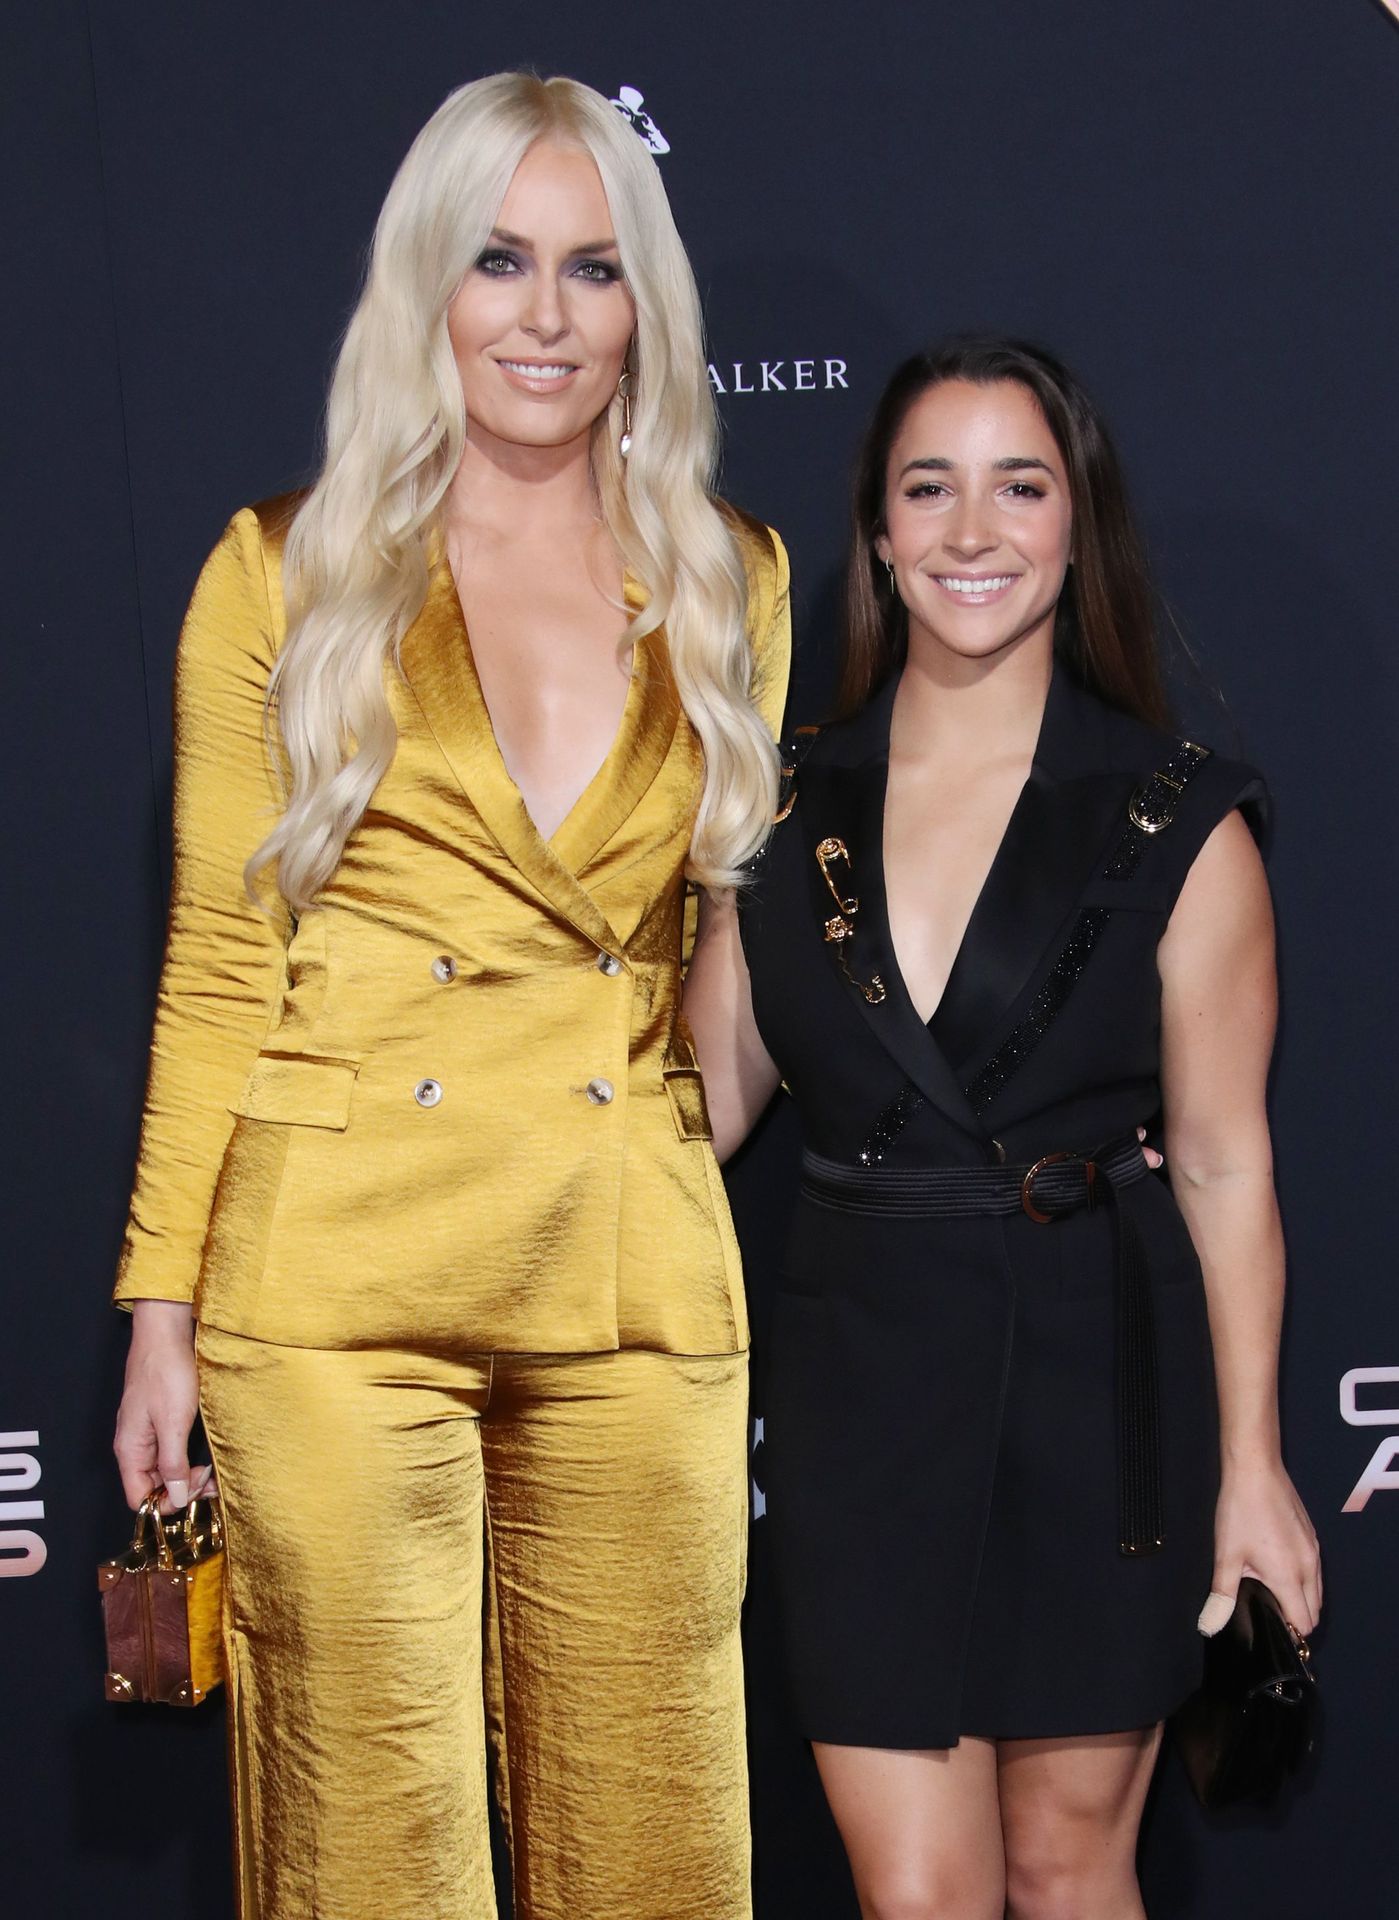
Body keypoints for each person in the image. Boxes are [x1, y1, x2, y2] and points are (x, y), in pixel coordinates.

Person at [111, 72, 789, 1920]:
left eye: (593, 267)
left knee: (658, 1845)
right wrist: (161, 1309)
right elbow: (220, 959)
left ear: (645, 303)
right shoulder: (286, 572)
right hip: (337, 1279)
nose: (545, 316)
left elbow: (723, 959)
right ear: (428, 281)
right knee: (368, 1857)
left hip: (630, 1272)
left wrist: (692, 1137)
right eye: (499, 261)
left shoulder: (732, 580)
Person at [685, 336, 1320, 1920]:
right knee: (917, 1894)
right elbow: (693, 1115)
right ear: (878, 532)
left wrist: (1253, 1466)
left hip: (1098, 1393)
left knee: (1066, 1869)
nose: (973, 530)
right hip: (862, 1400)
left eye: (1020, 487)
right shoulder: (778, 812)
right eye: (931, 488)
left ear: (1077, 524)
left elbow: (1225, 1161)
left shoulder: (1178, 816)